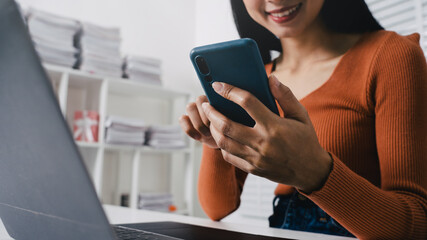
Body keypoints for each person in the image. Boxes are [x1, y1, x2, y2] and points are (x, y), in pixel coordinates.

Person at [179, 0, 427, 238]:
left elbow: (417, 223)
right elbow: (217, 209)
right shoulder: (254, 81)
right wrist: (217, 140)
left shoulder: (391, 55)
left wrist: (313, 172)